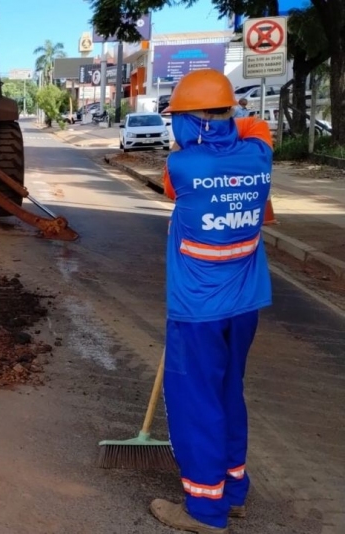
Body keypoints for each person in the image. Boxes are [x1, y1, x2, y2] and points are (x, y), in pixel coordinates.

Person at [153, 69, 273, 534]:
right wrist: (227, 118)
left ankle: (205, 509)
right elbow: (254, 126)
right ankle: (234, 490)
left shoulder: (181, 168)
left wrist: (208, 126)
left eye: (176, 118)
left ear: (192, 123)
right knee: (228, 393)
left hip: (196, 310)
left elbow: (172, 182)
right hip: (244, 305)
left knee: (196, 402)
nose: (172, 128)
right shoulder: (259, 156)